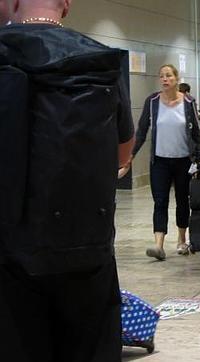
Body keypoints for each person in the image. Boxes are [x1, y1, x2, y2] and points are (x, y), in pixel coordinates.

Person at [0, 0, 134, 361]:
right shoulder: (101, 61)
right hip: (88, 246)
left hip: (12, 251)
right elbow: (123, 156)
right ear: (66, 5)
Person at [124, 64, 200, 261]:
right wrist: (130, 155)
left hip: (183, 160)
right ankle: (158, 245)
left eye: (168, 76)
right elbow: (141, 131)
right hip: (159, 161)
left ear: (176, 79)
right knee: (160, 202)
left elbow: (195, 134)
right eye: (161, 76)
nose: (164, 79)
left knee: (183, 201)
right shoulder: (152, 102)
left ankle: (181, 240)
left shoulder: (188, 102)